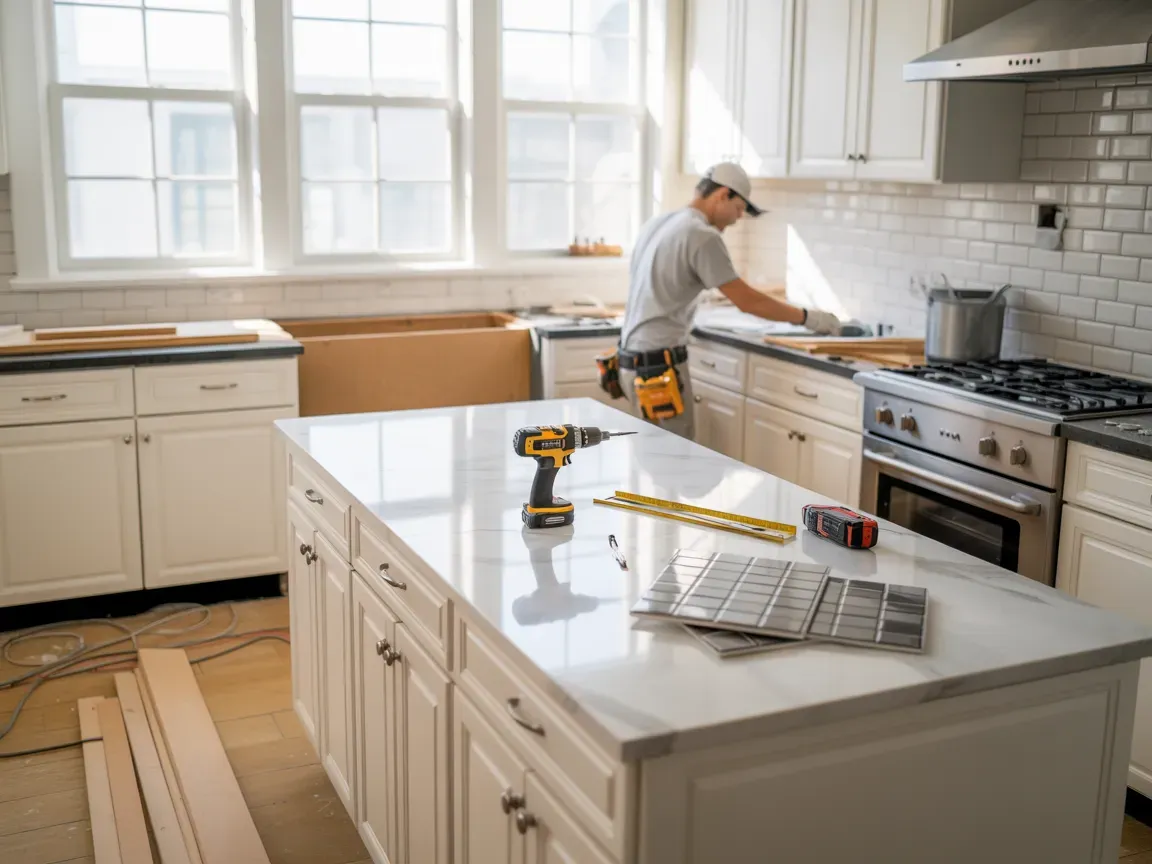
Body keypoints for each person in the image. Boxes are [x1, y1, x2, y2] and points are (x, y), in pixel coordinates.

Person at [615, 162, 842, 440]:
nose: (735, 220)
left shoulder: (658, 223)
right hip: (659, 371)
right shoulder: (701, 235)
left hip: (630, 361)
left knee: (650, 458)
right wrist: (810, 318)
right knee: (674, 464)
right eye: (737, 210)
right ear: (723, 194)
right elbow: (748, 302)